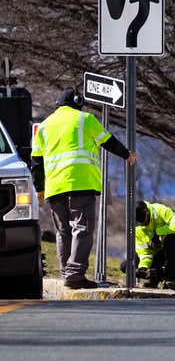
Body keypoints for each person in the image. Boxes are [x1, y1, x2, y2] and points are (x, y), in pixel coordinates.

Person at [31, 87, 137, 289]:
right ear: (78, 101)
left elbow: (36, 161)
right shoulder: (85, 119)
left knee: (63, 232)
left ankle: (67, 273)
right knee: (82, 229)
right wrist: (127, 155)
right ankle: (75, 273)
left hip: (54, 187)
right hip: (81, 183)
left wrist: (39, 188)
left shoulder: (44, 126)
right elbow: (108, 141)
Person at [129, 200, 175, 290]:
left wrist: (159, 232)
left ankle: (170, 280)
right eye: (141, 223)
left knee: (172, 239)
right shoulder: (138, 229)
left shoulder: (159, 210)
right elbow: (145, 253)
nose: (144, 225)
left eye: (144, 221)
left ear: (147, 211)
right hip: (156, 255)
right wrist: (143, 267)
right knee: (126, 265)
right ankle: (154, 278)